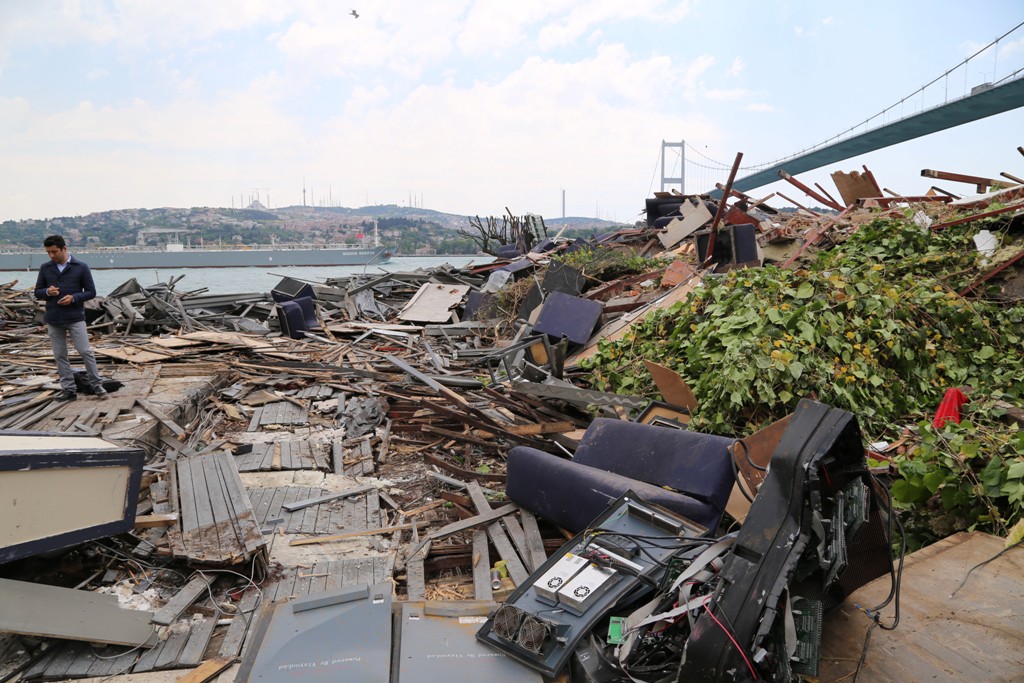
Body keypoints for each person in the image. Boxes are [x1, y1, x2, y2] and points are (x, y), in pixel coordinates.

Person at [34, 235, 107, 401]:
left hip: (75, 317)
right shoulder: (45, 268)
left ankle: (97, 385)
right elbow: (37, 291)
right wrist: (47, 292)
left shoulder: (81, 267)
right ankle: (69, 390)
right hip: (53, 318)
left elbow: (91, 292)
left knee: (85, 351)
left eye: (54, 252)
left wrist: (73, 298)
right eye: (48, 253)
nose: (51, 255)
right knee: (60, 355)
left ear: (64, 248)